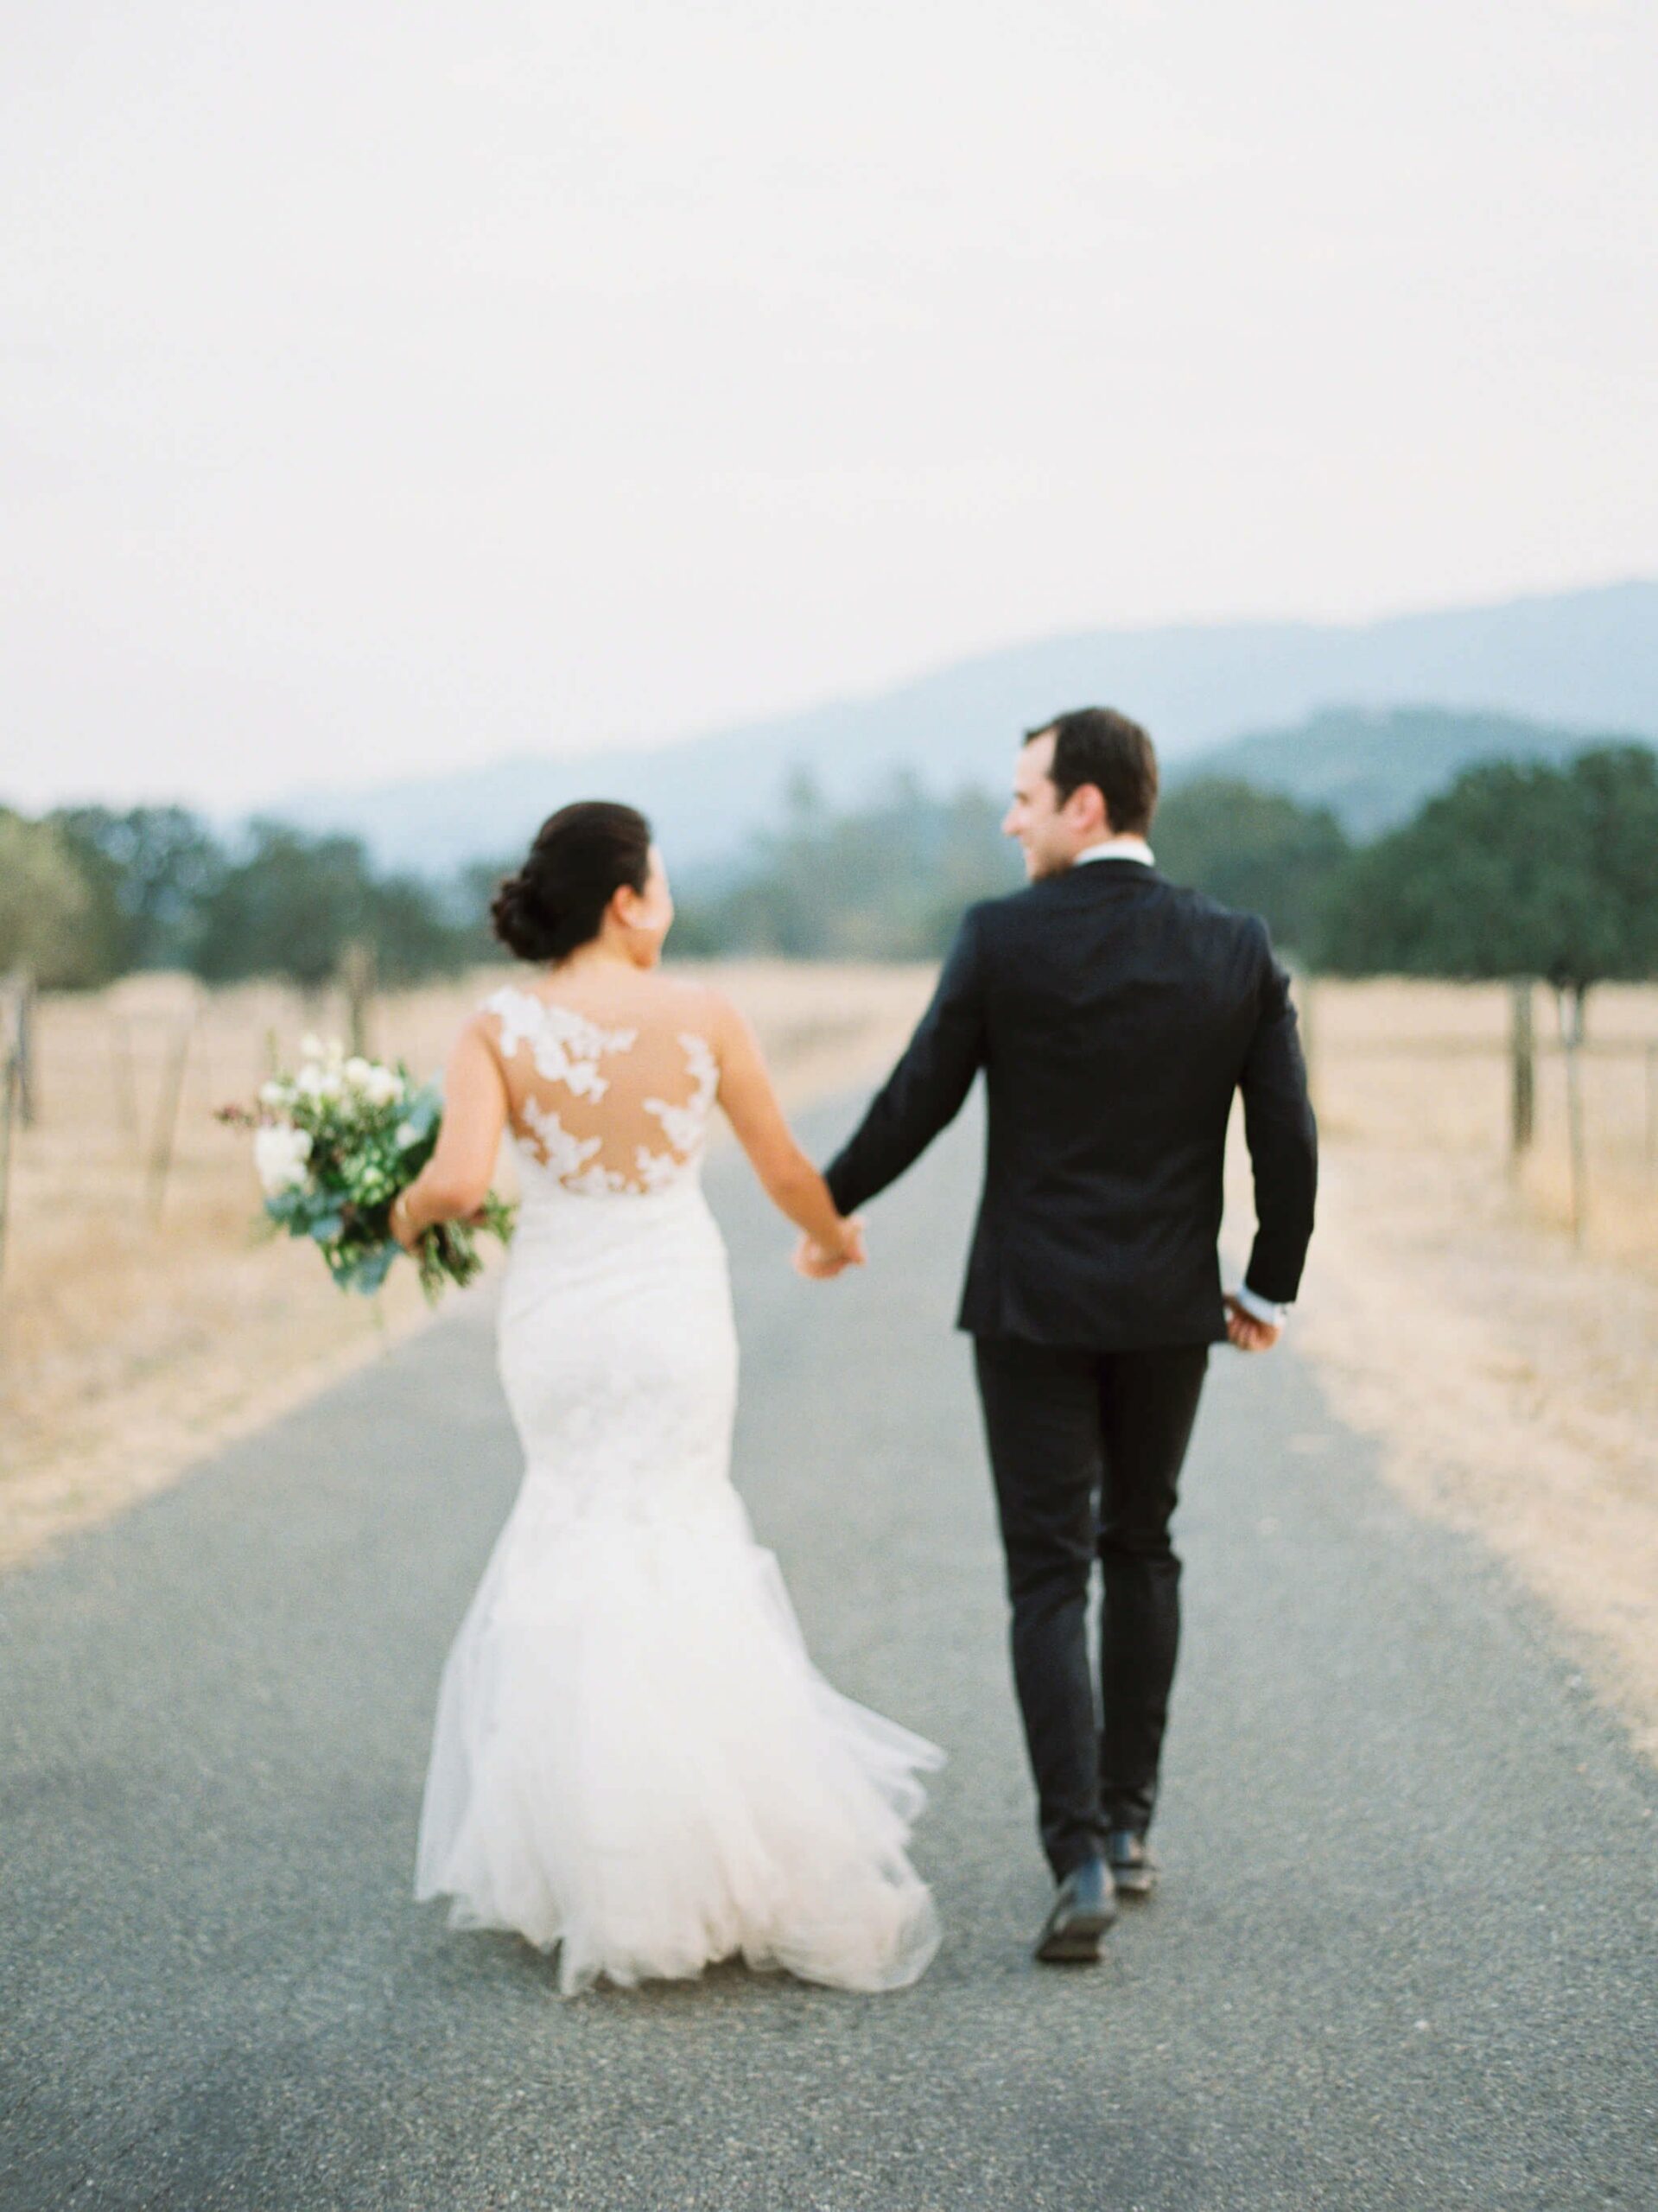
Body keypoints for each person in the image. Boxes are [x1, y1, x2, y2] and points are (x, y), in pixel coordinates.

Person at [397, 800, 941, 1998]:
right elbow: (787, 1169)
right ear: (626, 900)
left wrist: (396, 1214)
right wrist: (834, 1238)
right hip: (673, 1311)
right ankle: (720, 1855)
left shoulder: (495, 1026)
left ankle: (599, 1868)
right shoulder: (703, 1017)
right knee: (684, 1525)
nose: (673, 904)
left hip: (560, 1320)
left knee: (575, 1527)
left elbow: (457, 1180)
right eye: (664, 882)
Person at [800, 709, 1317, 1965]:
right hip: (1166, 1309)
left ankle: (1076, 1852)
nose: (1009, 818)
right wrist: (1265, 1286)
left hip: (1029, 1307)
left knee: (1048, 1576)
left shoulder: (1002, 938)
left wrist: (824, 1210)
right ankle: (1130, 1828)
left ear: (1087, 806)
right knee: (1142, 1542)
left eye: (1025, 795)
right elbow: (1287, 1139)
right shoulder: (1233, 945)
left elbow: (917, 1097)